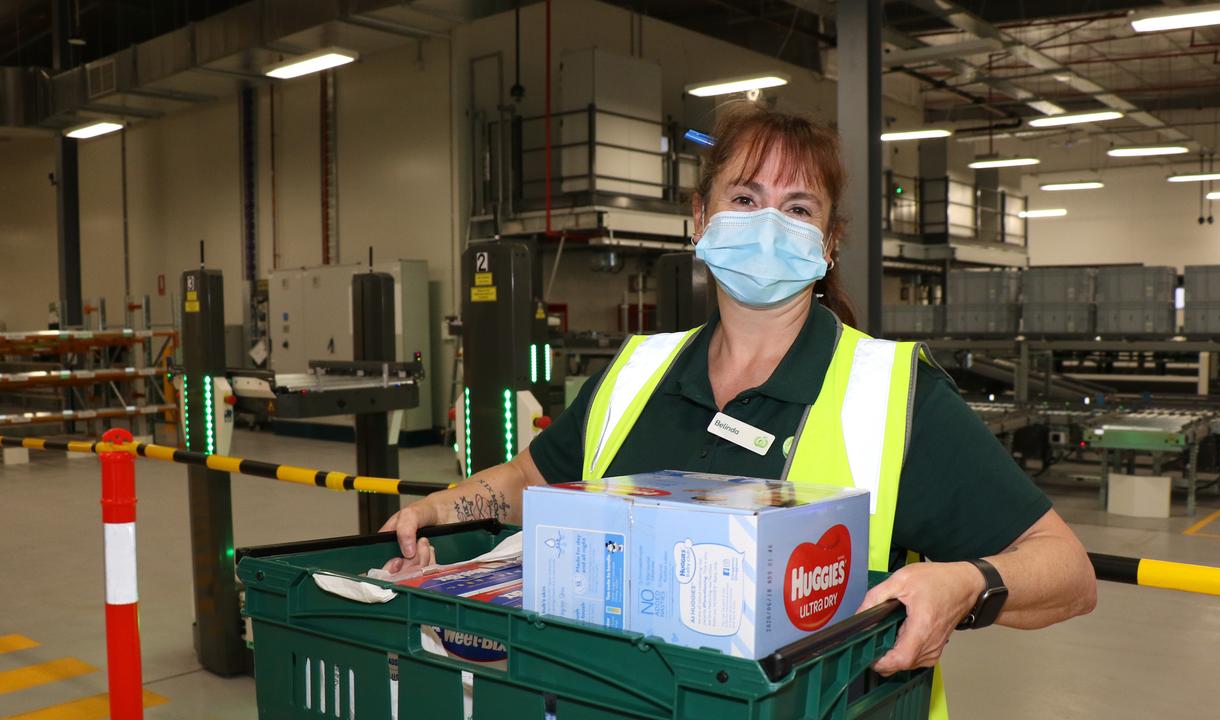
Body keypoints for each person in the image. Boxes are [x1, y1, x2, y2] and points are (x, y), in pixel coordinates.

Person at [383, 105, 1096, 716]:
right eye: (746, 199)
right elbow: (532, 478)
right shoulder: (638, 371)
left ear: (828, 240)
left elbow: (1066, 570)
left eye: (797, 208)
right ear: (700, 218)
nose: (767, 225)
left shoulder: (890, 391)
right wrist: (441, 507)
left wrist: (966, 583)